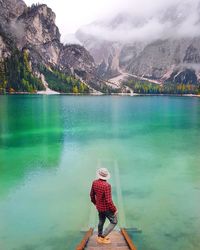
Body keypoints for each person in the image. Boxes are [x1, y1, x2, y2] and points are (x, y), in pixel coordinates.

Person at [90, 168, 118, 244]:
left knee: (101, 220)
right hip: (106, 208)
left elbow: (92, 195)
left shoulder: (94, 182)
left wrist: (95, 203)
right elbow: (109, 201)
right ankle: (102, 237)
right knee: (114, 221)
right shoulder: (107, 185)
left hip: (99, 207)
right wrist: (115, 210)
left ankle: (99, 236)